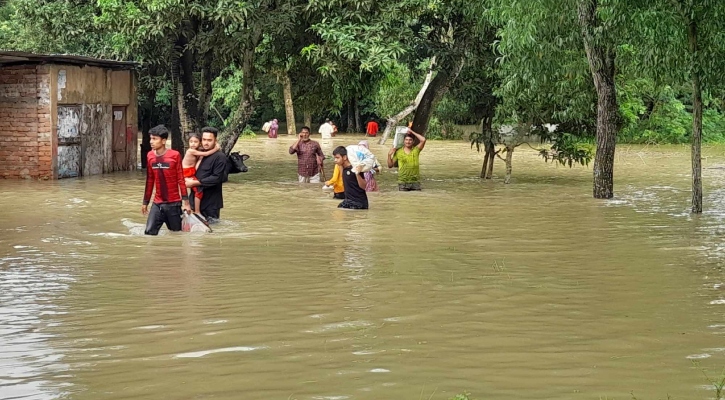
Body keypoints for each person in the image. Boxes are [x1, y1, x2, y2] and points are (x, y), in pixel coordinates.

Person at [142, 125, 191, 235]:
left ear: (163, 141)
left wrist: (186, 202)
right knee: (149, 232)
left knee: (176, 234)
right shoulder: (150, 156)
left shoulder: (175, 155)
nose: (151, 141)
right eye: (151, 138)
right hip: (157, 203)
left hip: (173, 204)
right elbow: (150, 180)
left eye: (155, 139)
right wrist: (145, 202)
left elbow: (181, 180)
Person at [185, 127, 227, 221]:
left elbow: (218, 178)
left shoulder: (220, 157)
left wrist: (196, 183)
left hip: (210, 205)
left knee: (212, 231)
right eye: (204, 140)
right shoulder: (198, 153)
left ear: (215, 140)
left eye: (209, 140)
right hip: (193, 202)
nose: (206, 143)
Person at [182, 133, 219, 214]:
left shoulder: (197, 150)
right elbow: (206, 153)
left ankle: (190, 207)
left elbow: (203, 151)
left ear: (199, 143)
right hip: (187, 173)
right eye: (191, 142)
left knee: (193, 190)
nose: (193, 144)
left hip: (190, 171)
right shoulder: (190, 151)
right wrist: (216, 149)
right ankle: (197, 211)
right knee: (198, 191)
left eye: (195, 142)